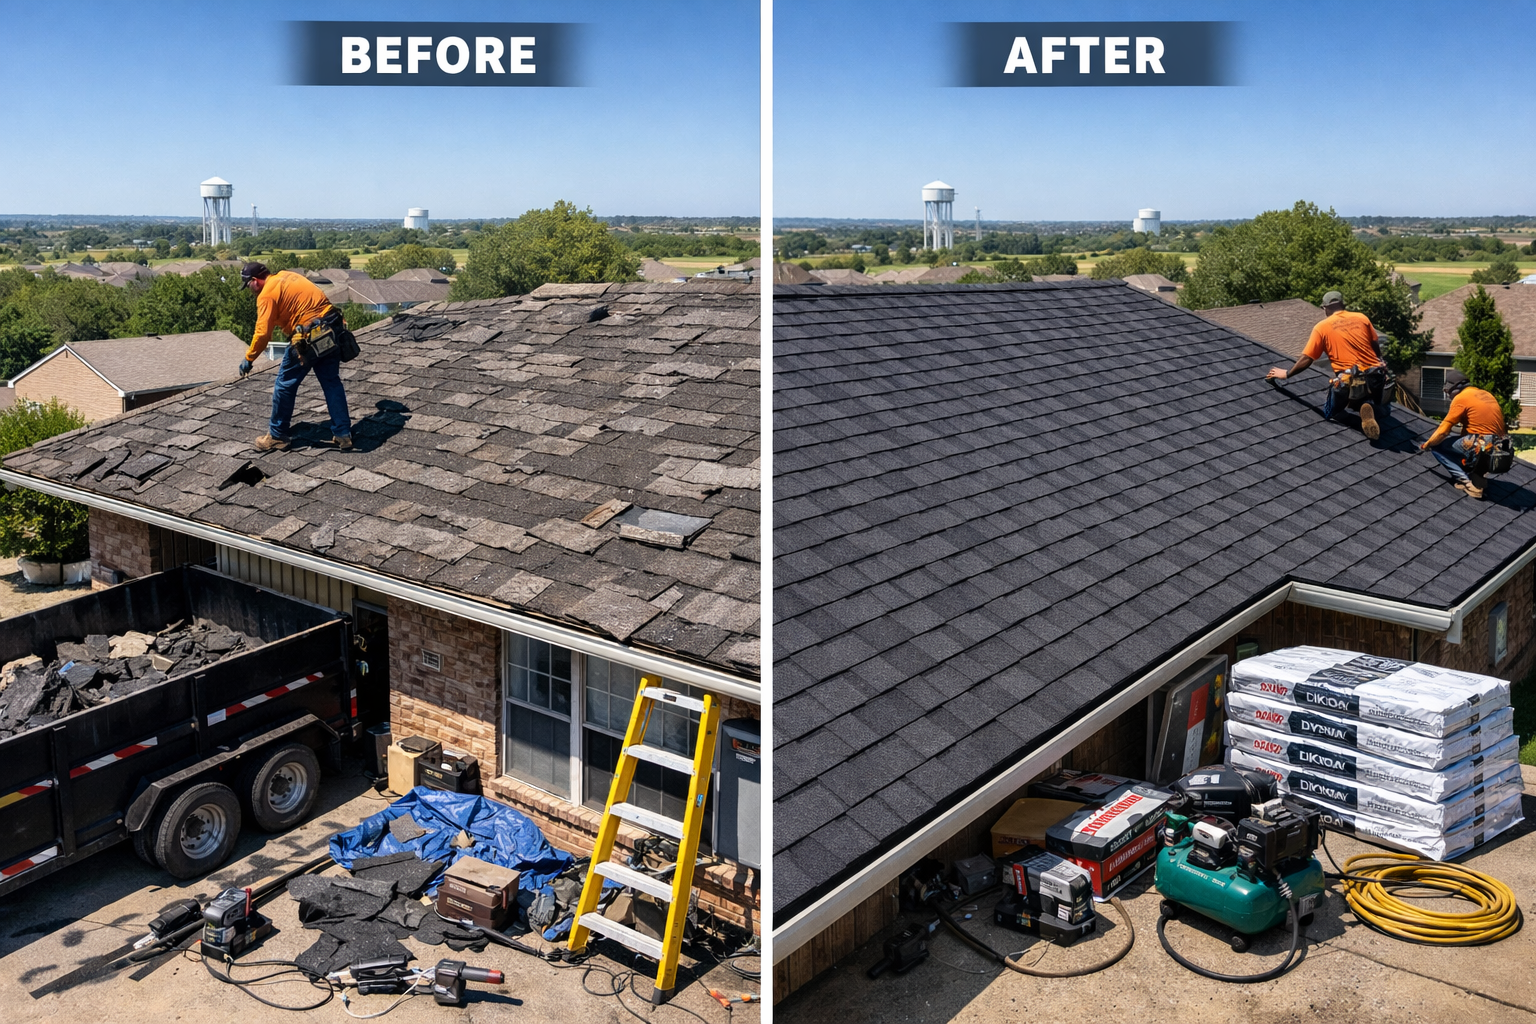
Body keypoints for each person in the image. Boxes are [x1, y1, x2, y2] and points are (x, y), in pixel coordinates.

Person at [239, 261, 353, 452]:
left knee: (284, 384)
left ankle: (277, 436)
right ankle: (343, 434)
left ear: (255, 281)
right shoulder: (287, 275)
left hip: (308, 335)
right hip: (331, 327)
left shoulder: (266, 294)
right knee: (331, 382)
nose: (250, 289)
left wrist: (249, 358)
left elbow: (262, 334)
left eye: (248, 285)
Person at [1265, 291, 1388, 440]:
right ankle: (1366, 406)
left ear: (1325, 308)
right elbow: (1375, 343)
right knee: (1368, 394)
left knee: (1331, 413)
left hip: (1349, 379)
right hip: (1376, 376)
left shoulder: (1322, 327)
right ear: (1343, 305)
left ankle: (1359, 422)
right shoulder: (1362, 318)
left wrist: (1287, 374)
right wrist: (1381, 362)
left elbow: (1307, 358)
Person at [1420, 369, 1506, 500]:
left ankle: (1469, 484)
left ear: (1455, 388)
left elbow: (1444, 430)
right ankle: (1477, 479)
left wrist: (1428, 444)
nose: (1449, 395)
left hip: (1484, 444)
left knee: (1438, 448)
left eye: (1448, 391)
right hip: (1501, 447)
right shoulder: (1484, 394)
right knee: (1463, 446)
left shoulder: (1461, 398)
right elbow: (1470, 430)